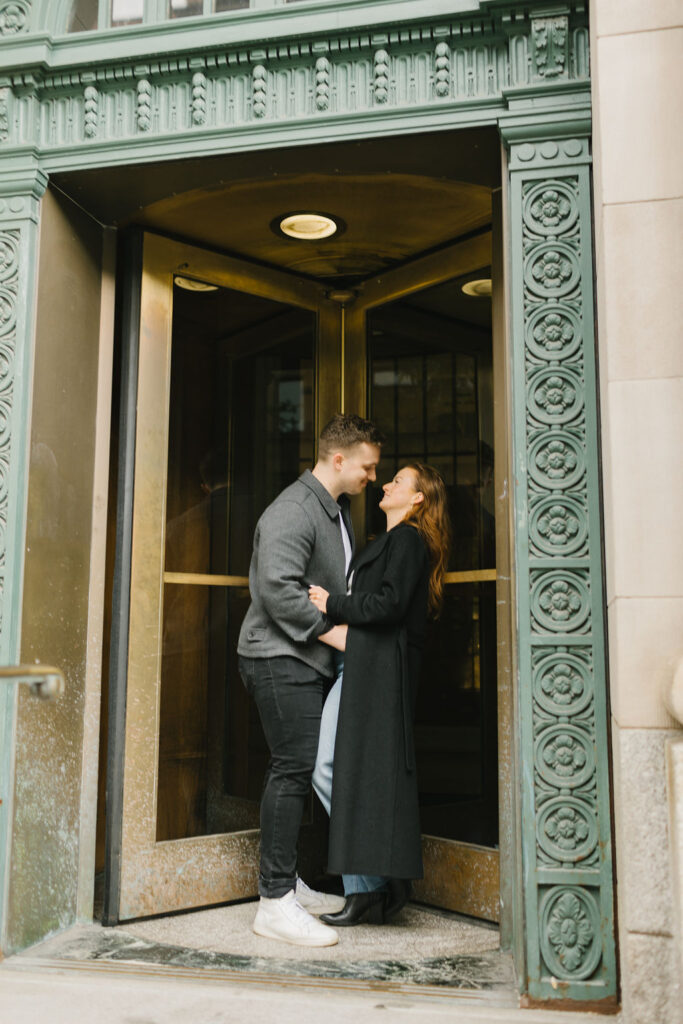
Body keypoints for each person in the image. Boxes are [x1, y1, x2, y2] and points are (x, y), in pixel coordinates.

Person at [237, 413, 384, 947]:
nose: (372, 475)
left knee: (296, 768)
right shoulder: (294, 509)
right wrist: (333, 633)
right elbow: (277, 589)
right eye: (368, 466)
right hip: (279, 658)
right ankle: (274, 903)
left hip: (300, 660)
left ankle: (289, 887)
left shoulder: (336, 509)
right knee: (294, 769)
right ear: (339, 459)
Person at [309, 463, 450, 926]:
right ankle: (373, 882)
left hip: (377, 673)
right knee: (335, 770)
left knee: (338, 770)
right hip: (361, 667)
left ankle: (369, 886)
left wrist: (332, 603)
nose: (386, 484)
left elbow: (387, 605)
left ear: (417, 500)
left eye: (399, 482)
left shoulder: (407, 540)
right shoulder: (387, 543)